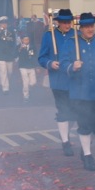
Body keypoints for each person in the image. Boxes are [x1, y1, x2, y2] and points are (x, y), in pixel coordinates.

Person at [60, 12, 95, 171]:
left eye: (92, 26)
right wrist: (71, 67)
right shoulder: (70, 43)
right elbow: (63, 64)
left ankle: (85, 146)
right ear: (80, 28)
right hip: (79, 91)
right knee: (84, 125)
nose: (90, 29)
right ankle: (88, 156)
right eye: (86, 26)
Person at [38, 9, 78, 156]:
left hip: (74, 80)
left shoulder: (77, 35)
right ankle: (65, 142)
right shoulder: (49, 36)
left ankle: (65, 132)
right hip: (58, 80)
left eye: (70, 22)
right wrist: (49, 63)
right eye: (65, 22)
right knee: (63, 110)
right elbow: (41, 57)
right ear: (58, 22)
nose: (68, 25)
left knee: (74, 113)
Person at [0, 16, 17, 95]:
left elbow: (14, 42)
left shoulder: (11, 32)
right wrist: (0, 32)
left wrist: (14, 54)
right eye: (2, 23)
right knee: (3, 71)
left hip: (9, 55)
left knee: (9, 71)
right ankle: (5, 88)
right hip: (0, 54)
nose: (4, 25)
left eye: (5, 23)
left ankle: (6, 83)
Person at [17, 34, 38, 103]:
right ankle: (26, 96)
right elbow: (14, 54)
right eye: (25, 39)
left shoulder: (32, 47)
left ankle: (29, 89)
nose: (27, 41)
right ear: (22, 40)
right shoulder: (19, 47)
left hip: (31, 67)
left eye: (28, 39)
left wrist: (37, 66)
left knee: (33, 82)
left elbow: (35, 57)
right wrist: (20, 49)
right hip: (23, 67)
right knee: (25, 82)